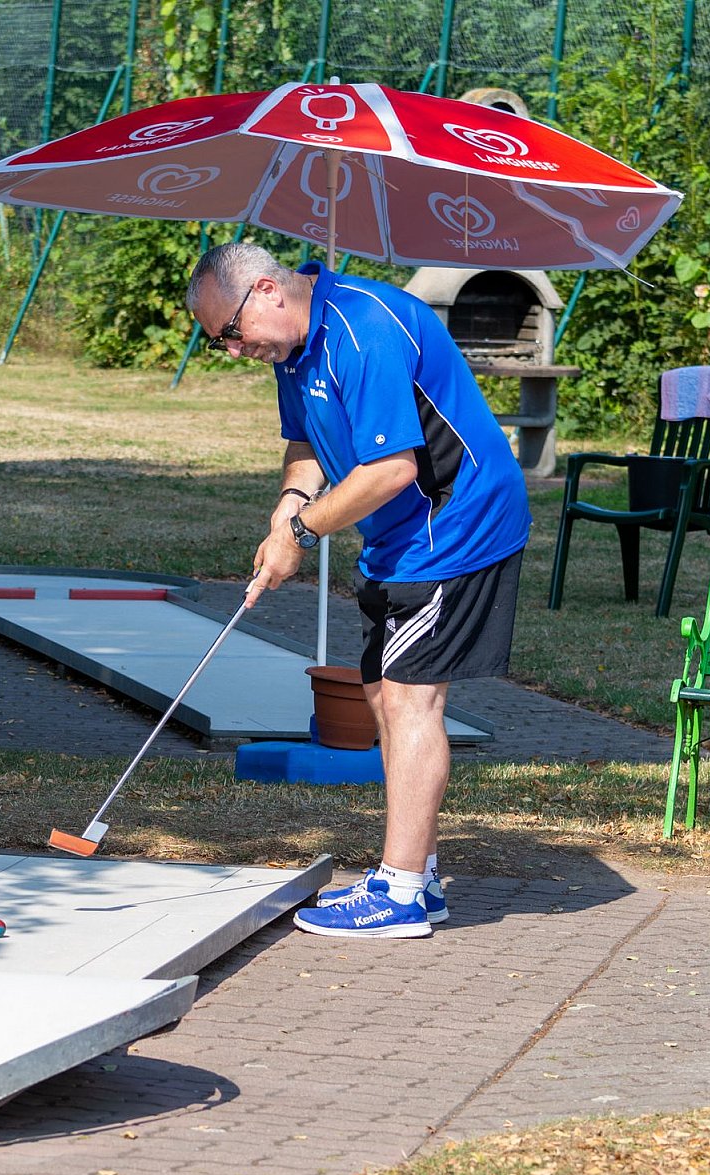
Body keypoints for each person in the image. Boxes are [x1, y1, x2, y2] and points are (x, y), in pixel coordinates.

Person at [188, 242, 531, 939]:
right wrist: (289, 505)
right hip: (399, 536)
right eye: (221, 342)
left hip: (456, 525)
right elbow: (306, 442)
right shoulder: (291, 348)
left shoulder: (365, 328)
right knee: (380, 692)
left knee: (409, 699)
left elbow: (391, 470)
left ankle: (400, 893)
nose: (234, 350)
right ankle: (418, 877)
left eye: (230, 332)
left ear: (265, 291)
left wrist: (302, 533)